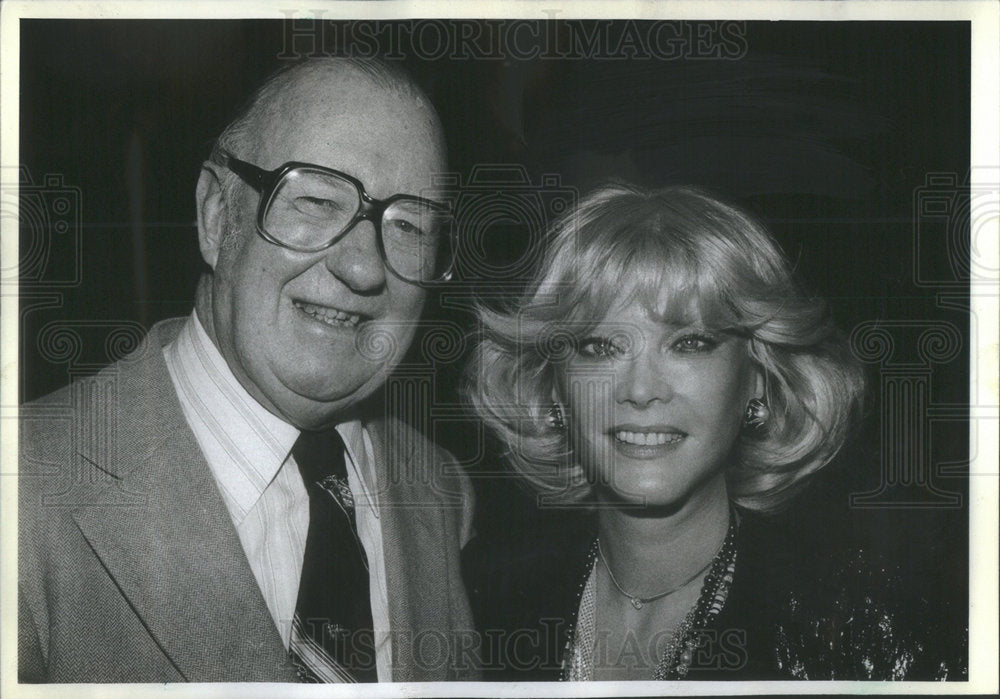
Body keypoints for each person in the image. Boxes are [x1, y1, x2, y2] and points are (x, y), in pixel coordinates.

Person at [19, 58, 475, 683]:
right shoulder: (25, 493)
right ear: (216, 216)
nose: (365, 268)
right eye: (316, 200)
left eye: (410, 226)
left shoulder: (442, 493)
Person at [464, 183, 964, 680]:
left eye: (690, 342)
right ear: (554, 389)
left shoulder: (857, 621)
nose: (641, 390)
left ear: (758, 379)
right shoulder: (485, 601)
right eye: (600, 347)